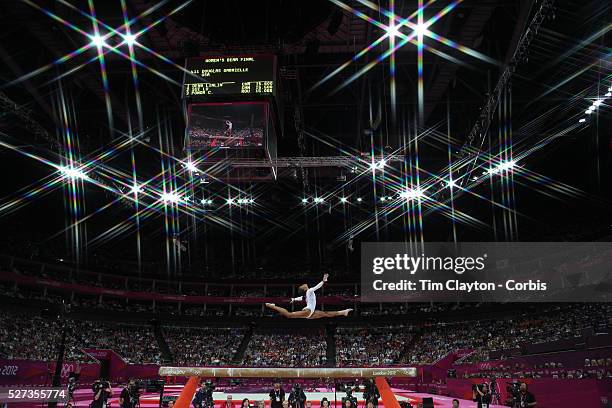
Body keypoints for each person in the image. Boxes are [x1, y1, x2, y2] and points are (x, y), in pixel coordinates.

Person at [265, 274, 353, 319]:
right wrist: (323, 281)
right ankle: (272, 306)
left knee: (326, 314)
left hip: (310, 313)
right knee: (289, 315)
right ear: (304, 289)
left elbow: (301, 298)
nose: (304, 284)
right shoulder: (309, 291)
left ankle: (344, 312)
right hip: (308, 311)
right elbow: (317, 287)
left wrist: (294, 299)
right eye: (302, 285)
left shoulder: (307, 294)